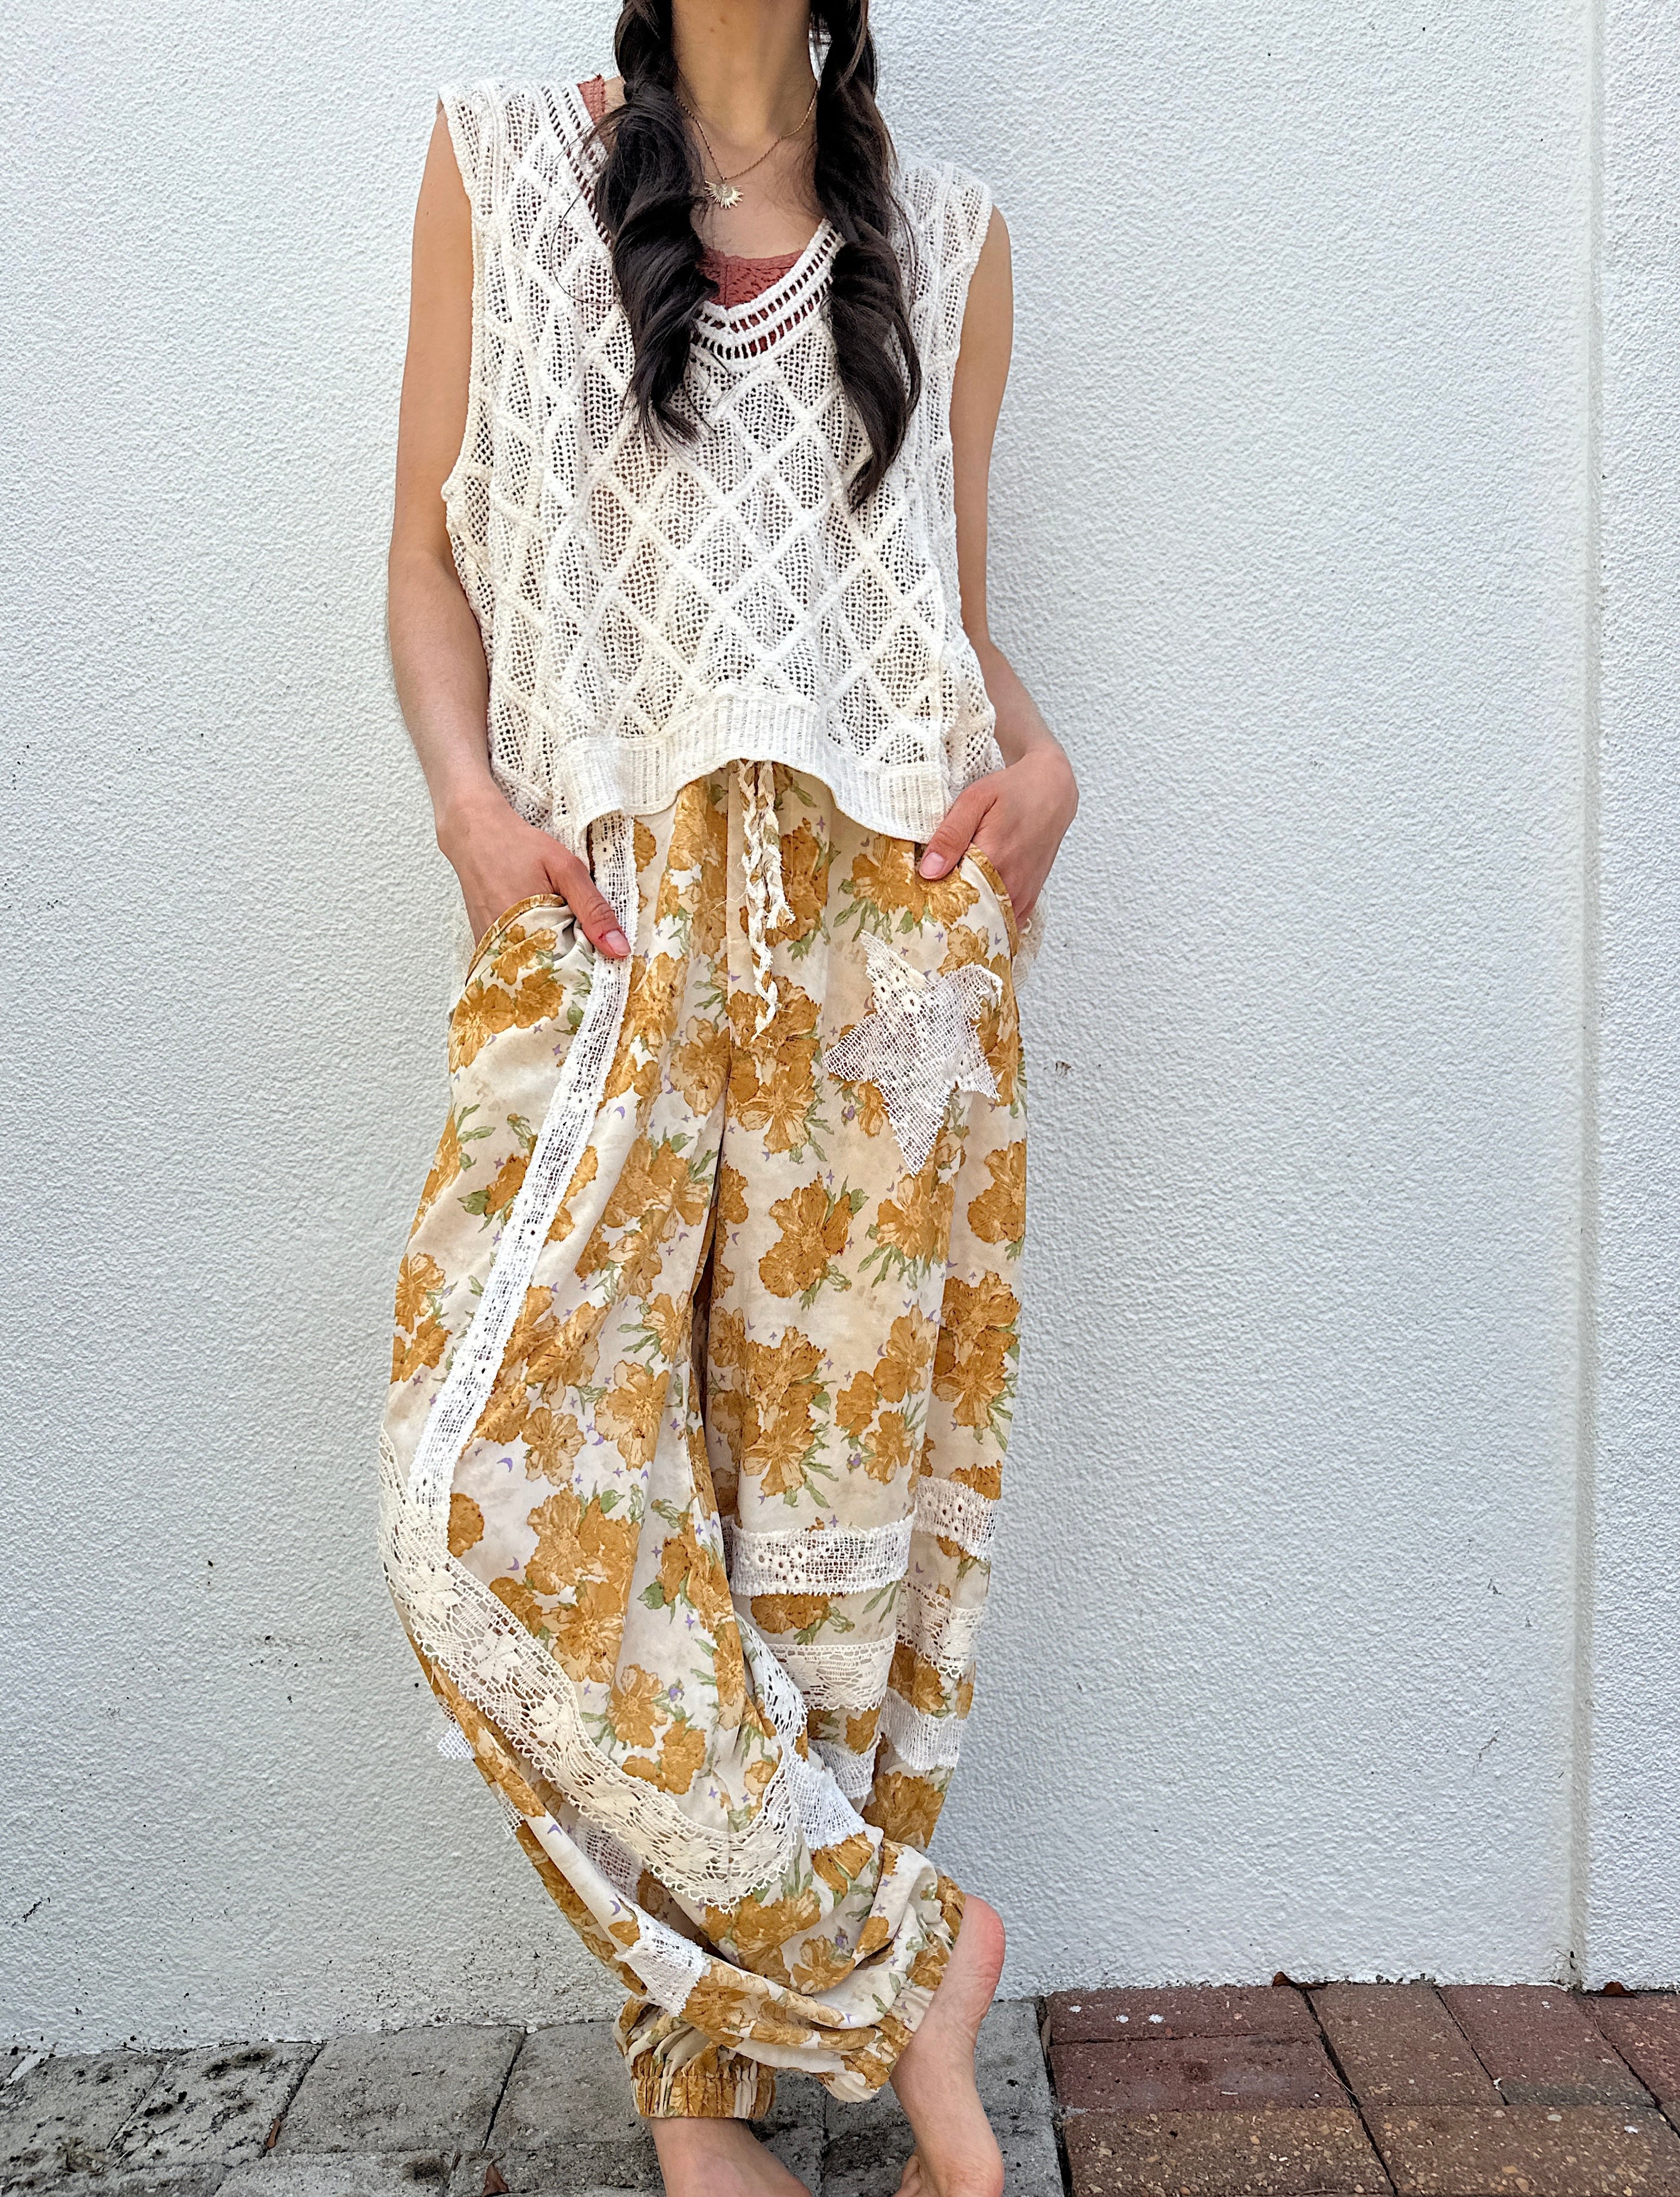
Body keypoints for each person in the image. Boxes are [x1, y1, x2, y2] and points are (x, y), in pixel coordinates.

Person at [382, 4, 1076, 2191]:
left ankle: (708, 2116)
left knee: (797, 1556)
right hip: (606, 922)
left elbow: (936, 624)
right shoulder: (501, 164)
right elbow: (424, 553)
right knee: (480, 1490)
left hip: (880, 943)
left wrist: (1039, 763)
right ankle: (907, 1958)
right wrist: (471, 816)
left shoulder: (945, 239)